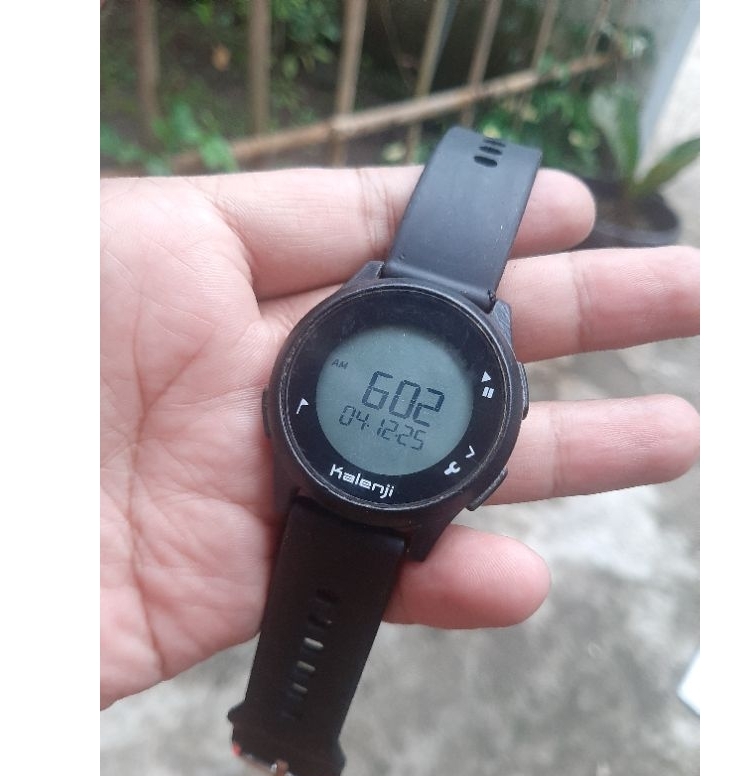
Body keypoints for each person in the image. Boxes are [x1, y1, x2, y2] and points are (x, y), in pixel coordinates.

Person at [100, 164, 699, 710]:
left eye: (421, 402)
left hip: (357, 506)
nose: (397, 405)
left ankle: (283, 729)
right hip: (316, 486)